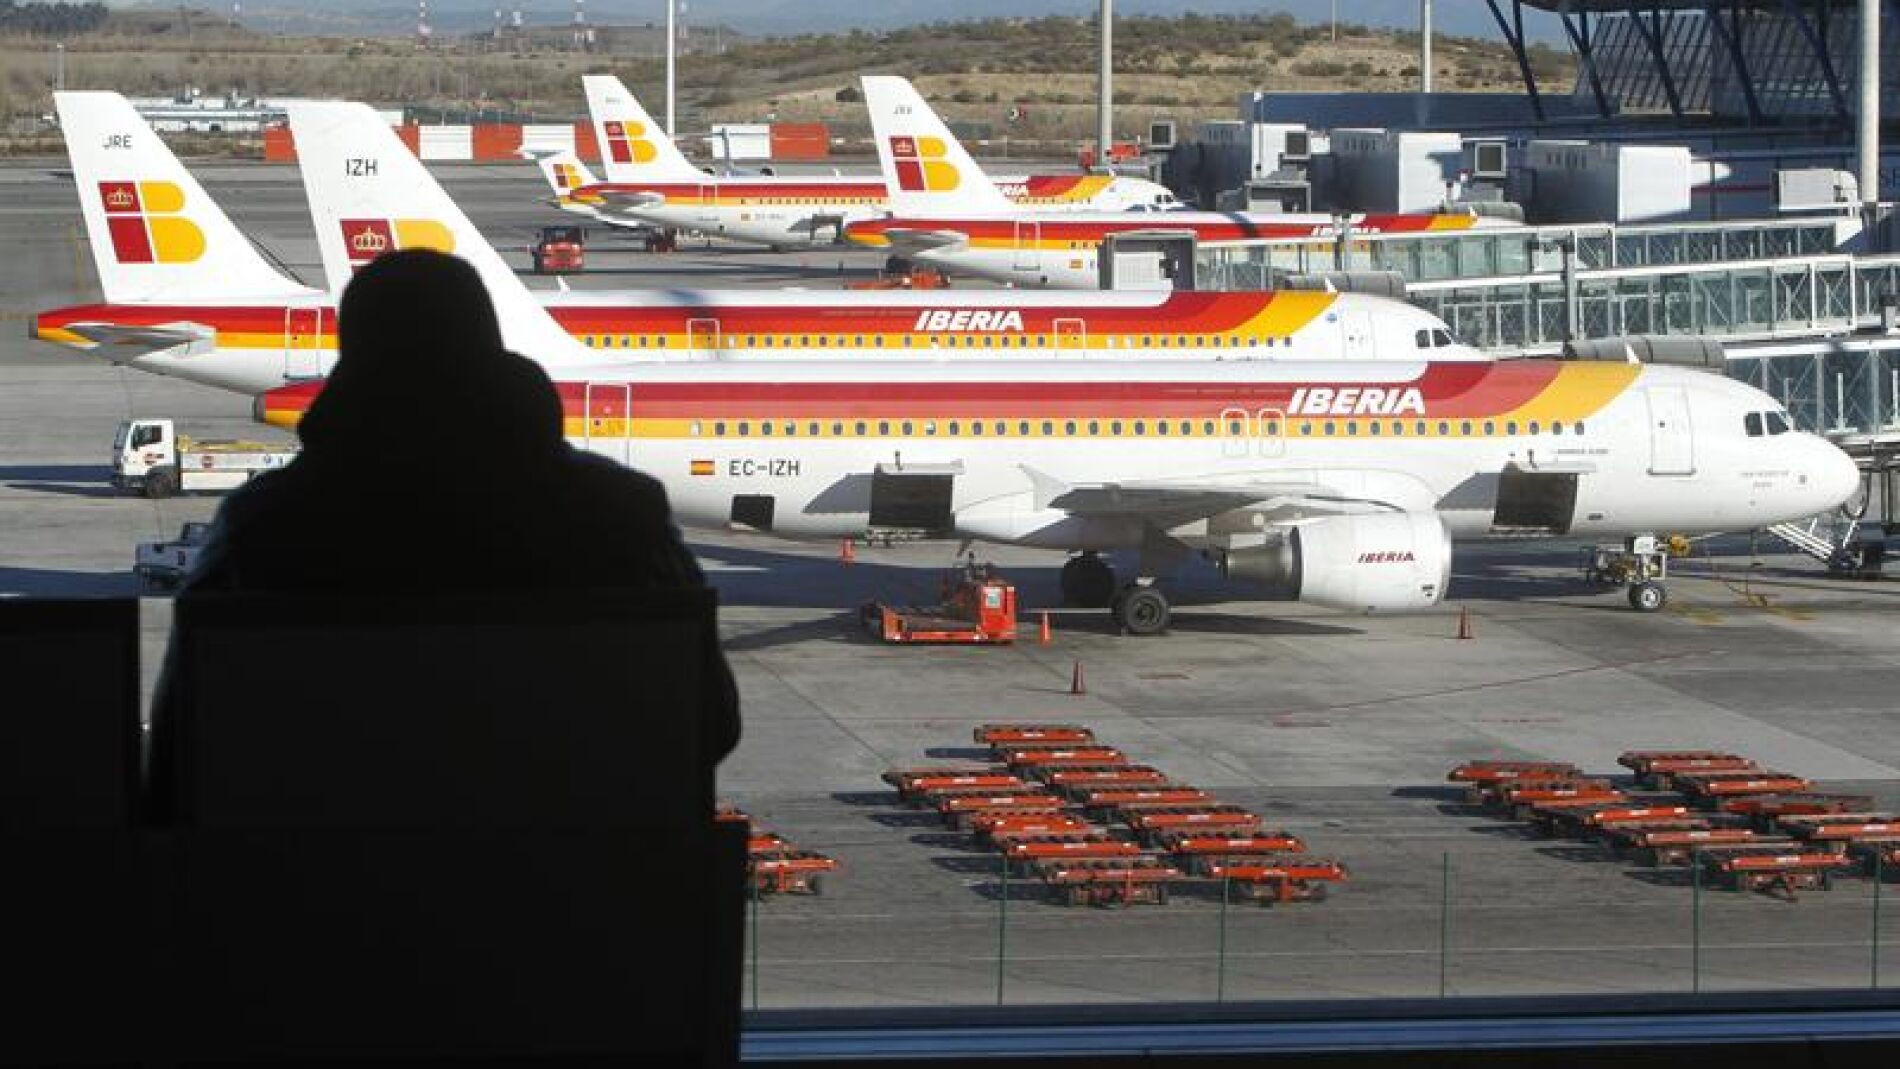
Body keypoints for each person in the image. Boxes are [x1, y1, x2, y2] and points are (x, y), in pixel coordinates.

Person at [148, 250, 739, 814]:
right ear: (491, 348)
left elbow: (183, 749)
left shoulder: (266, 524)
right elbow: (710, 722)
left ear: (353, 360)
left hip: (329, 859)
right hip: (576, 858)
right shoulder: (621, 513)